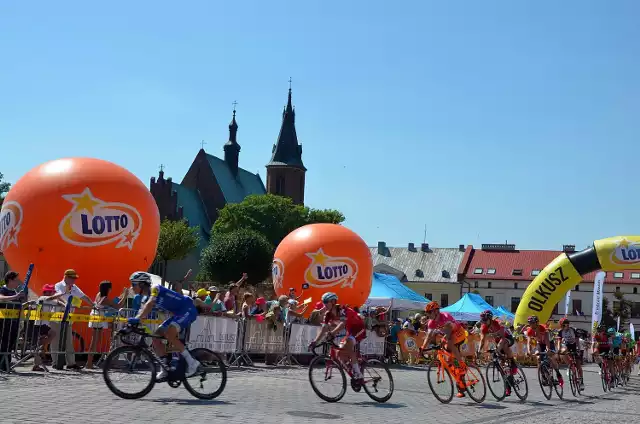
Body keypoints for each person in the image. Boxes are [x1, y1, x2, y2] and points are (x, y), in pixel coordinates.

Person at [127, 271, 201, 380]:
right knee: (156, 337)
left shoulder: (155, 289)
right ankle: (164, 367)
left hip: (187, 309)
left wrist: (137, 319)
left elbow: (150, 303)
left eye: (133, 284)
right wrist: (132, 322)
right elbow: (142, 311)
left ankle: (192, 363)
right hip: (177, 313)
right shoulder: (144, 298)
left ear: (142, 284)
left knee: (169, 334)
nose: (131, 287)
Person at [309, 292, 366, 382]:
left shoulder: (342, 310)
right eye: (324, 302)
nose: (325, 305)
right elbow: (324, 328)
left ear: (333, 302)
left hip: (358, 328)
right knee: (339, 354)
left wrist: (332, 333)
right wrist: (315, 342)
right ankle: (353, 365)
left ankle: (358, 374)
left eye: (326, 302)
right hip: (350, 331)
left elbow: (343, 324)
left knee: (348, 345)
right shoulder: (328, 314)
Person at [420, 301, 468, 398]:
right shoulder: (431, 322)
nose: (428, 315)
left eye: (429, 312)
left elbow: (450, 331)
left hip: (459, 333)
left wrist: (444, 339)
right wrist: (422, 348)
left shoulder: (445, 317)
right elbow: (428, 336)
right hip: (449, 336)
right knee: (448, 360)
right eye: (427, 313)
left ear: (436, 312)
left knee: (449, 342)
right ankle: (461, 385)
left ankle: (462, 365)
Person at [85, 281, 127, 369]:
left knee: (96, 341)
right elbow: (118, 306)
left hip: (96, 317)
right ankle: (88, 363)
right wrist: (125, 295)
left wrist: (122, 294)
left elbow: (114, 302)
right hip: (98, 318)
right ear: (108, 289)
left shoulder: (99, 294)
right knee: (95, 341)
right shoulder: (105, 299)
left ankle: (90, 362)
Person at [522, 316, 563, 387]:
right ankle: (543, 377)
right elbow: (528, 342)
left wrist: (548, 349)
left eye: (532, 323)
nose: (531, 324)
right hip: (540, 344)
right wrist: (528, 351)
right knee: (538, 358)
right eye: (530, 323)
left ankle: (558, 373)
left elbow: (547, 340)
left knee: (552, 358)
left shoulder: (542, 328)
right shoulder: (529, 330)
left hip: (549, 343)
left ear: (537, 323)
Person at [478, 310, 517, 384]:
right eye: (482, 320)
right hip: (499, 341)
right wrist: (479, 350)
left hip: (507, 338)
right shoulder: (484, 327)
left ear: (490, 318)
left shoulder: (498, 323)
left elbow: (502, 337)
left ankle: (513, 363)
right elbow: (482, 340)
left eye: (485, 320)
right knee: (502, 364)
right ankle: (508, 382)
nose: (484, 322)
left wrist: (497, 350)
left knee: (504, 345)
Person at [558, 318, 584, 390]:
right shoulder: (560, 331)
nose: (566, 325)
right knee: (563, 354)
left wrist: (578, 349)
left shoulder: (573, 330)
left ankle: (581, 382)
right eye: (564, 324)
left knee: (578, 365)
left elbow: (577, 340)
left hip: (575, 345)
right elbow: (559, 341)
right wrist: (558, 349)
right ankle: (569, 365)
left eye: (567, 324)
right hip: (567, 345)